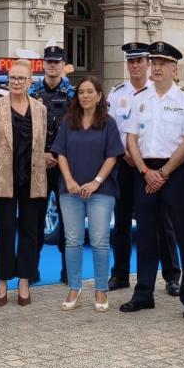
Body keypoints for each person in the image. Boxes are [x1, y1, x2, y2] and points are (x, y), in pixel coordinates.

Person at [119, 42, 184, 313]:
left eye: (163, 63)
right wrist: (144, 171)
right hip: (145, 171)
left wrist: (163, 173)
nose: (156, 67)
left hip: (174, 172)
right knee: (146, 234)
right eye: (154, 63)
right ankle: (144, 293)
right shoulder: (140, 99)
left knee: (183, 233)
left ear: (175, 69)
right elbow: (131, 138)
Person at [106, 43, 181, 295]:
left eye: (140, 61)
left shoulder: (158, 91)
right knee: (122, 219)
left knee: (163, 222)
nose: (135, 66)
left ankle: (172, 275)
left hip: (153, 166)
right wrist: (125, 154)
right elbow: (111, 130)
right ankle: (120, 273)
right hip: (124, 164)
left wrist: (141, 162)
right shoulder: (116, 94)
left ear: (148, 64)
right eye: (131, 61)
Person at [51, 77, 123, 312]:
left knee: (100, 240)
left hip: (101, 191)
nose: (84, 96)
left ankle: (101, 289)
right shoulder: (68, 122)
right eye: (81, 92)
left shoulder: (108, 124)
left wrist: (96, 182)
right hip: (69, 191)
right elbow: (60, 153)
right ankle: (75, 287)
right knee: (72, 241)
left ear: (99, 96)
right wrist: (69, 180)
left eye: (89, 91)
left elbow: (112, 156)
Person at [0, 58, 48, 306]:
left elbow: (41, 146)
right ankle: (2, 280)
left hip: (33, 178)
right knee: (5, 230)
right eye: (12, 78)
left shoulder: (40, 109)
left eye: (21, 78)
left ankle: (24, 280)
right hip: (5, 178)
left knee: (30, 230)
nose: (16, 82)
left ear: (30, 82)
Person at [29, 45, 75, 283]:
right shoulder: (32, 92)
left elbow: (78, 131)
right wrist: (41, 154)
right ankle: (31, 270)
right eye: (49, 61)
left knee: (67, 220)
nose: (52, 66)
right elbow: (25, 129)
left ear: (63, 64)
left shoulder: (73, 94)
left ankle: (67, 271)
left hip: (65, 166)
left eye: (57, 62)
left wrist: (58, 155)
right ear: (43, 64)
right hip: (39, 164)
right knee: (35, 218)